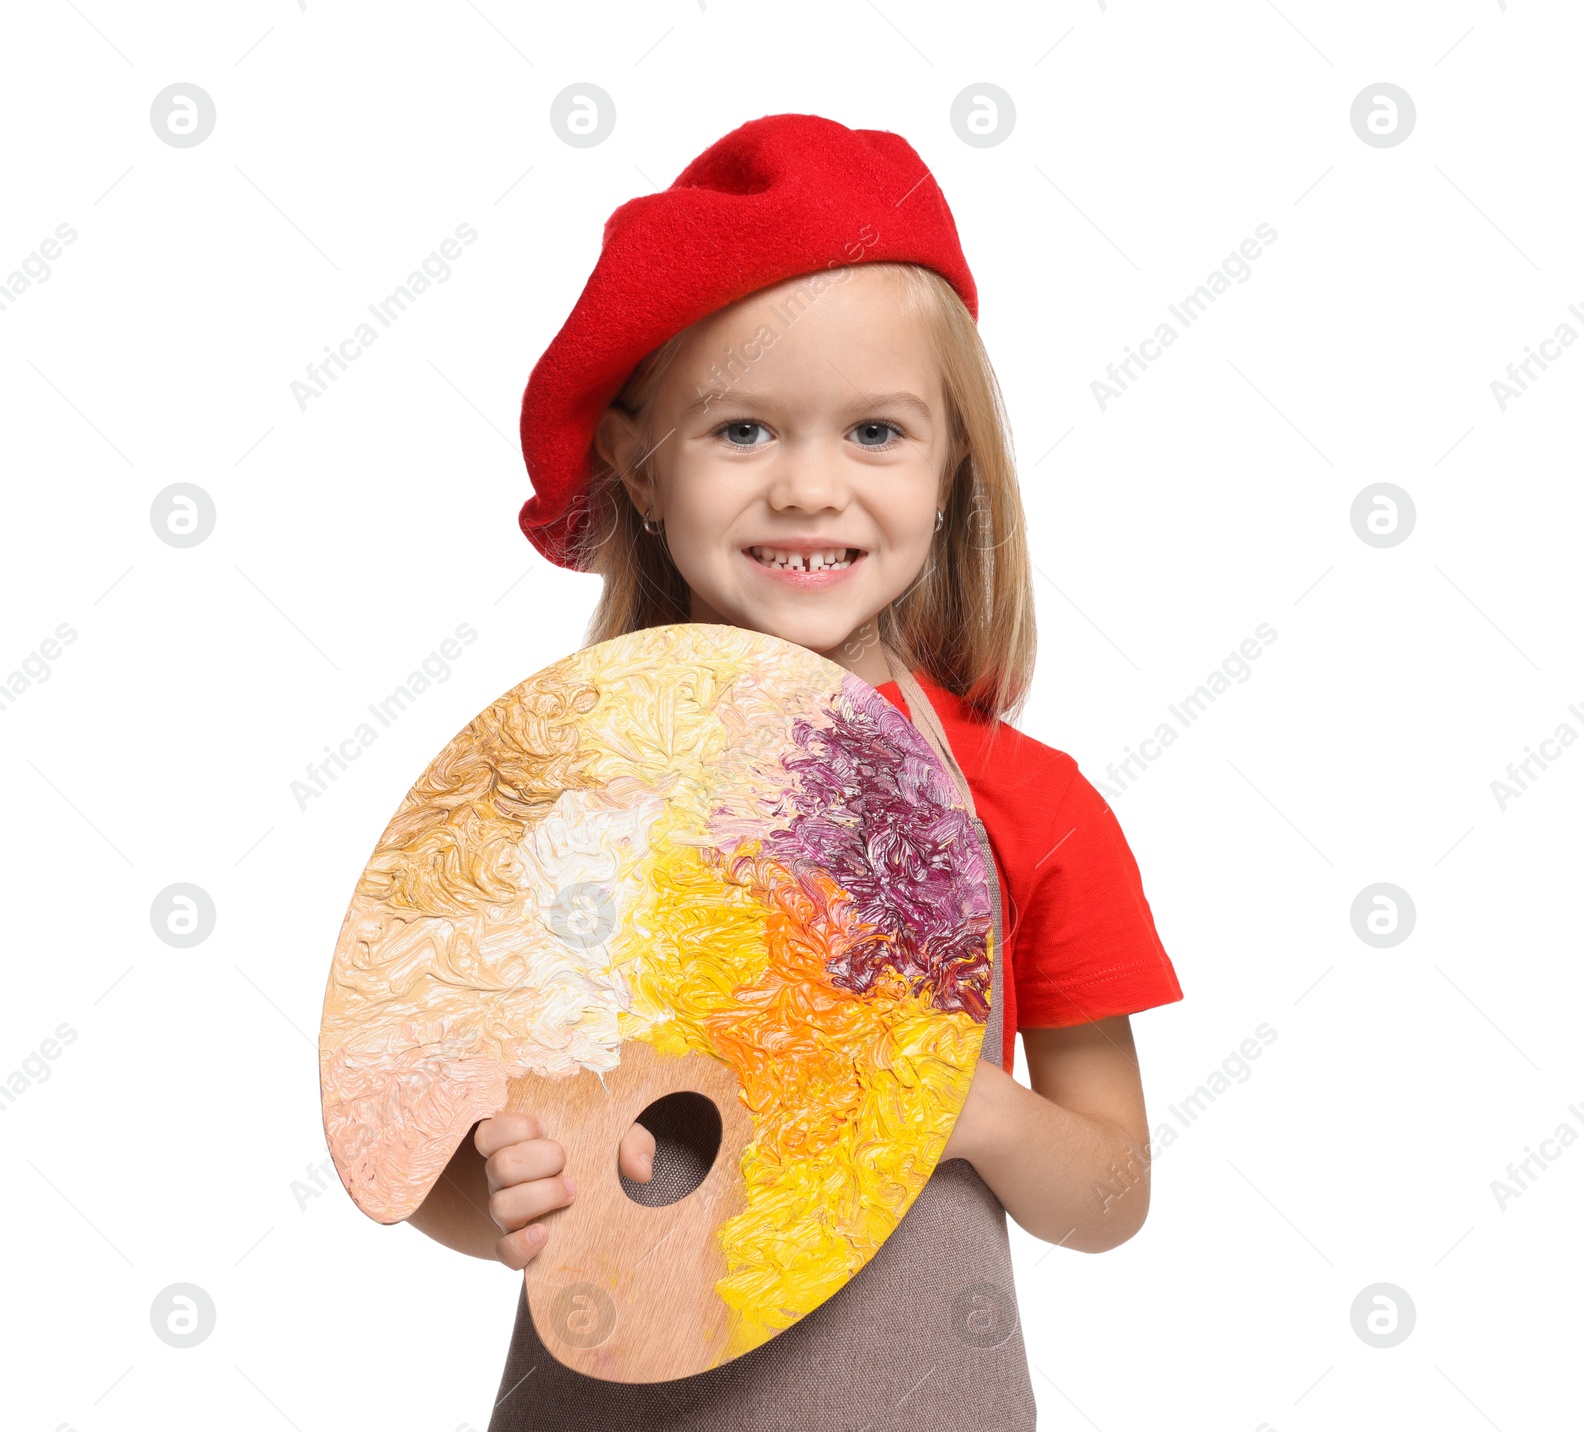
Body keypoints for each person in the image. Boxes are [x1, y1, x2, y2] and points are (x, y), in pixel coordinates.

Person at [405, 113, 1184, 1430]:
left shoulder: (1030, 811)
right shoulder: (557, 797)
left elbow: (1111, 1193)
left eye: (876, 432)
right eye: (744, 432)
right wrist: (507, 1190)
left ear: (955, 474)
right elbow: (424, 1163)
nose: (811, 488)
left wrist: (973, 1111)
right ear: (639, 470)